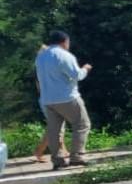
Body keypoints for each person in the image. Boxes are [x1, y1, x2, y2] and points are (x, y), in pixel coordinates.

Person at [34, 30, 92, 170]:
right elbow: (77, 75)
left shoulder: (41, 57)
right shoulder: (64, 55)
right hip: (66, 97)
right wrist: (85, 69)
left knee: (55, 130)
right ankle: (76, 156)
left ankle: (58, 160)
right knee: (82, 124)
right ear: (64, 41)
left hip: (47, 99)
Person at [33, 44, 66, 163]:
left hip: (47, 99)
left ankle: (63, 149)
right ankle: (39, 150)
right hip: (51, 100)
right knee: (55, 127)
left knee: (58, 125)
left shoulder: (40, 70)